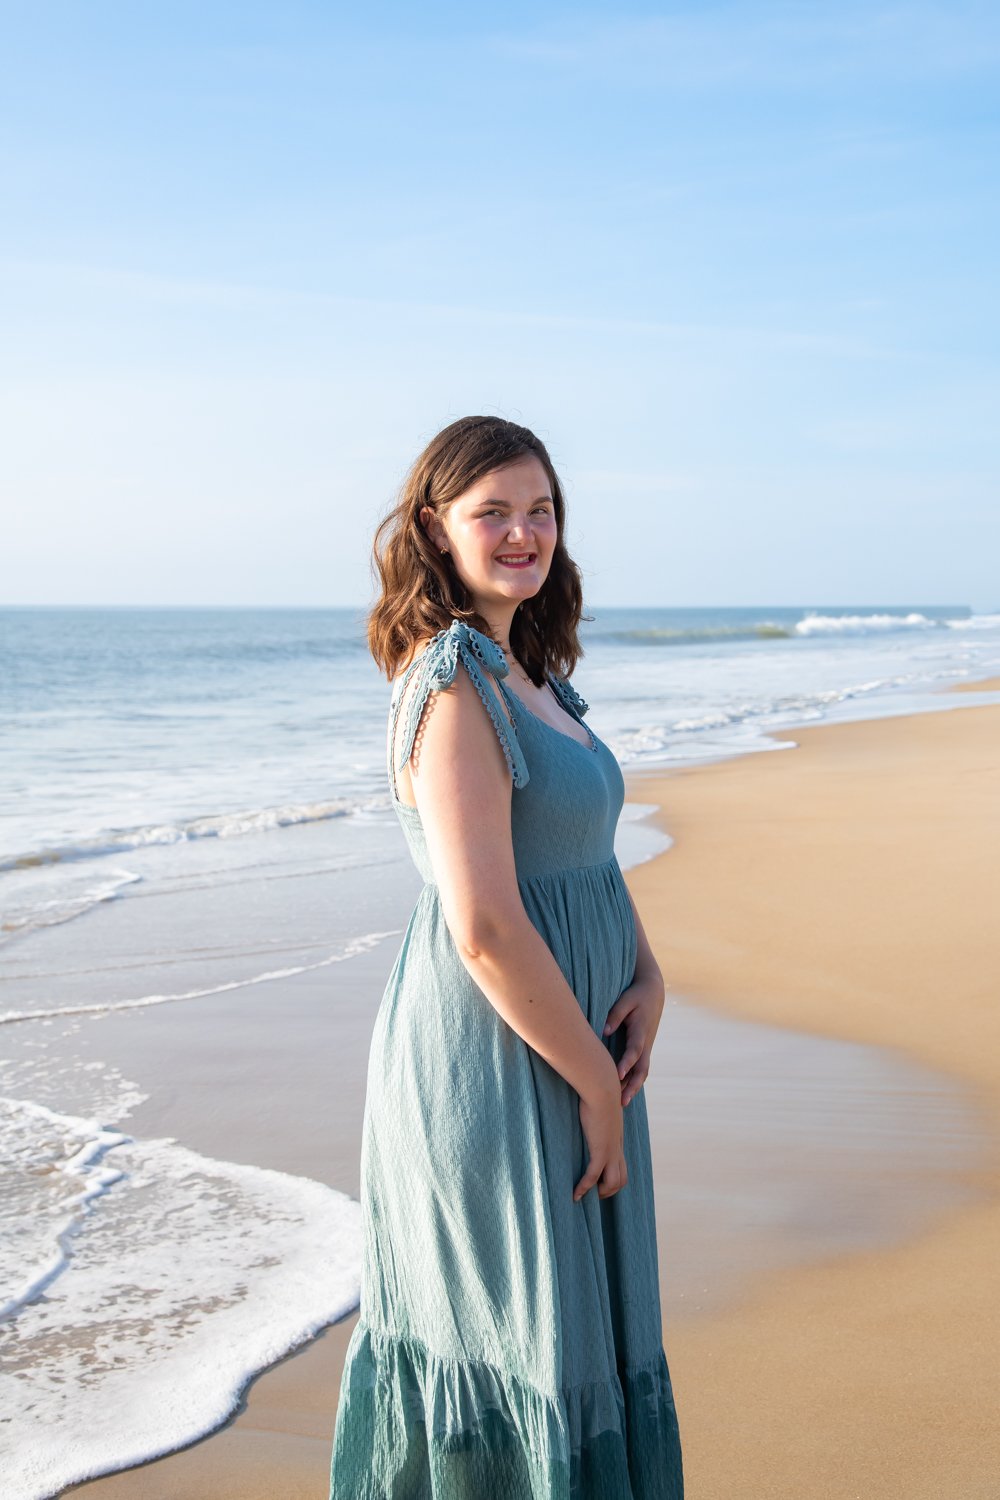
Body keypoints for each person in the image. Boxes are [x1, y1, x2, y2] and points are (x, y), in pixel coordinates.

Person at [328, 415, 684, 1498]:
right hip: (497, 1061)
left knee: (577, 1338)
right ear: (435, 530)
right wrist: (593, 1085)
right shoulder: (450, 687)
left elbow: (574, 858)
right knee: (530, 1345)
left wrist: (649, 973)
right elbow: (481, 924)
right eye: (493, 513)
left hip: (574, 1042)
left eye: (541, 510)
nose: (523, 532)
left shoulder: (530, 673)